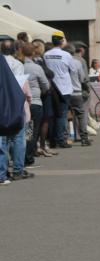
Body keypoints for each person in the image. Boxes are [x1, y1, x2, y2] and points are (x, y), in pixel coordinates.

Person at [0, 40, 34, 182]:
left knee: (3, 140)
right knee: (18, 138)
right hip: (15, 104)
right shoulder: (17, 64)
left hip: (3, 105)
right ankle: (18, 169)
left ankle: (4, 170)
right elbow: (22, 86)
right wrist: (28, 100)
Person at [21, 42, 50, 165]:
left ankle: (21, 156)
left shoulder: (20, 66)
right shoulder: (36, 68)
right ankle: (29, 157)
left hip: (22, 102)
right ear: (33, 53)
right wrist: (41, 92)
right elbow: (46, 85)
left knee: (25, 131)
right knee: (33, 131)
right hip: (35, 102)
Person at [44, 33, 74, 148]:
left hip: (51, 87)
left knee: (51, 114)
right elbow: (73, 69)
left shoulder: (46, 54)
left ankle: (52, 140)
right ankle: (61, 139)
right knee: (62, 114)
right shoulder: (66, 55)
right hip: (64, 88)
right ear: (62, 41)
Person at [65, 43, 90, 146]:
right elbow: (83, 78)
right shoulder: (77, 62)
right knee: (81, 115)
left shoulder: (62, 62)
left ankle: (66, 138)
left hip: (65, 92)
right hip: (76, 92)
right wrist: (86, 88)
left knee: (65, 115)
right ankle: (84, 138)